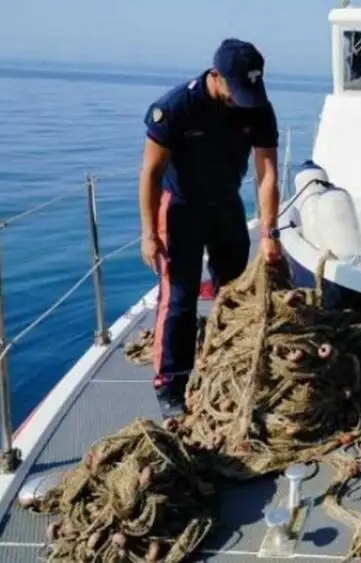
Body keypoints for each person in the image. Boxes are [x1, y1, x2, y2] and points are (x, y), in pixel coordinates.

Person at [138, 38, 283, 416]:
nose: (243, 99)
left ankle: (226, 365)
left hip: (226, 205)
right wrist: (149, 233)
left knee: (232, 292)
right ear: (216, 77)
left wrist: (269, 233)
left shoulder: (256, 107)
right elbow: (151, 173)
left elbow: (267, 174)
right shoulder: (175, 108)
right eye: (236, 90)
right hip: (180, 209)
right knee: (180, 299)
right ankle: (171, 382)